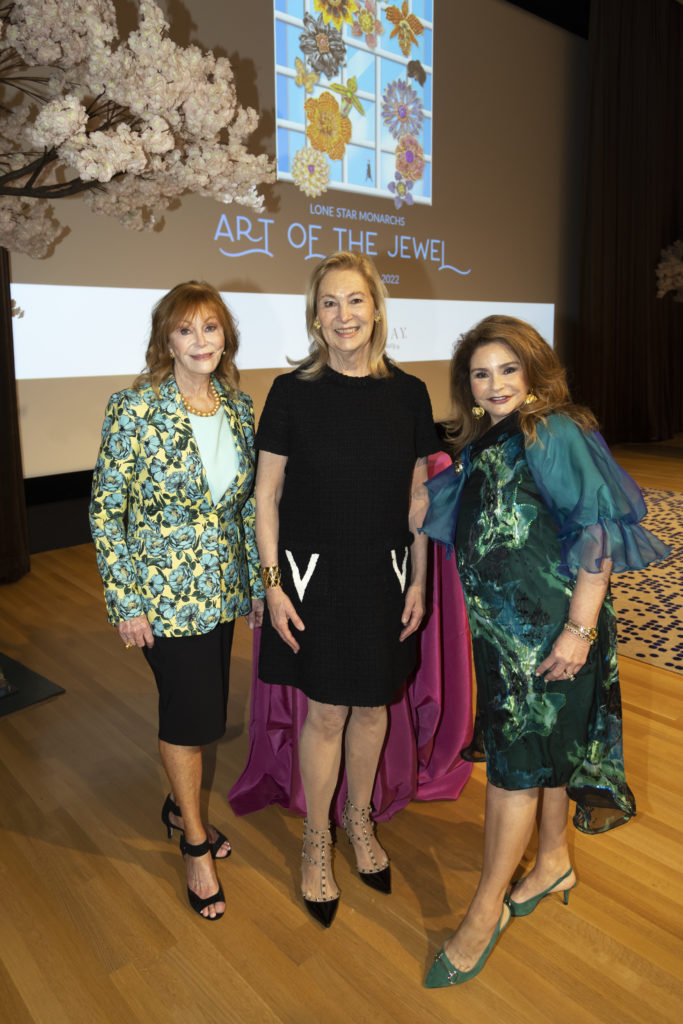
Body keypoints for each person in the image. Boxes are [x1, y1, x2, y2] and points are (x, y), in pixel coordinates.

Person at [422, 315, 671, 987]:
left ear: (533, 372)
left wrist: (578, 631)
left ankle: (482, 913)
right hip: (506, 636)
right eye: (481, 373)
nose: (495, 383)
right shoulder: (489, 442)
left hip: (549, 631)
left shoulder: (549, 430)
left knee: (514, 770)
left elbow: (596, 535)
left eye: (507, 368)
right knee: (546, 751)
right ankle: (553, 860)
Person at [253, 251, 441, 927]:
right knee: (327, 712)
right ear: (314, 316)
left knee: (372, 708)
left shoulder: (409, 394)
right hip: (313, 580)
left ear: (376, 309)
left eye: (354, 300)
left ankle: (359, 821)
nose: (343, 315)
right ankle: (316, 839)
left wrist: (419, 577)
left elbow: (418, 497)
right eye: (328, 303)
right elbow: (265, 497)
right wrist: (273, 586)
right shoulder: (291, 392)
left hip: (384, 577)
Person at [89, 281, 263, 921]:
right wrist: (125, 601)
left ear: (226, 336)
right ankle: (193, 841)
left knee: (206, 715)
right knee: (189, 719)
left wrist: (256, 585)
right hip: (161, 599)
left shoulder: (239, 408)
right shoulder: (134, 408)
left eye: (210, 327)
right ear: (166, 340)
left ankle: (175, 805)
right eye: (186, 329)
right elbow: (106, 512)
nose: (200, 341)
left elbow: (245, 510)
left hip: (221, 592)